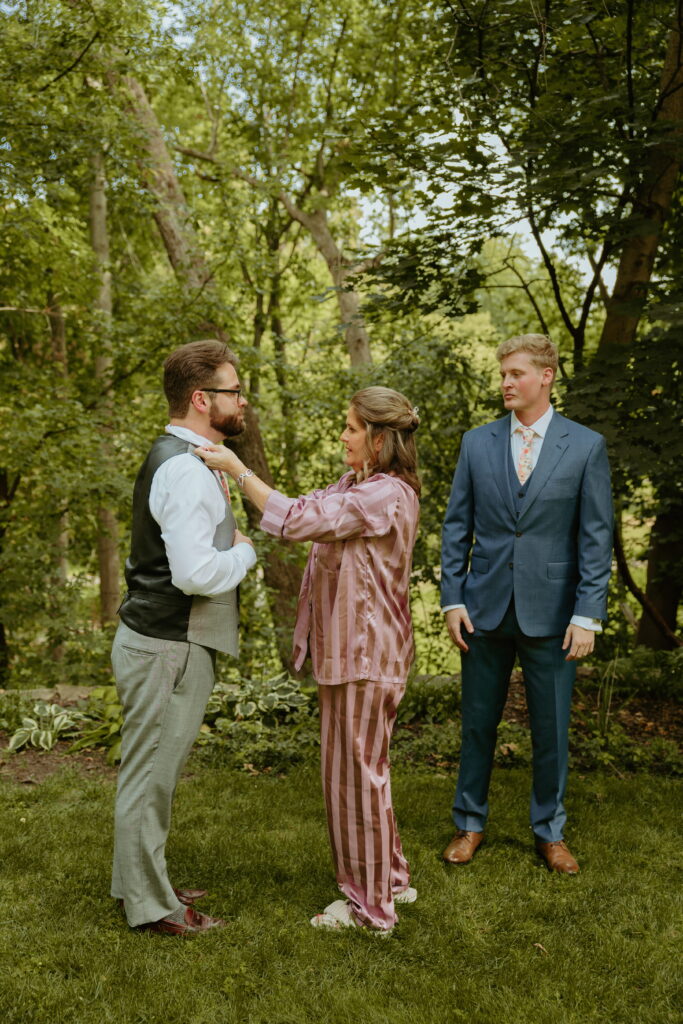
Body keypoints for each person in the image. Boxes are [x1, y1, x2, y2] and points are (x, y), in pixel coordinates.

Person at [197, 387, 420, 933]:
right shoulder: (355, 486)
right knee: (367, 772)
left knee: (354, 779)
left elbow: (296, 518)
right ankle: (389, 879)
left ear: (379, 438)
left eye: (350, 427)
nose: (342, 435)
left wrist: (236, 467)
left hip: (366, 657)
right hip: (353, 654)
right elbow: (307, 512)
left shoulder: (384, 494)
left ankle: (370, 909)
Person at [440, 334, 613, 874]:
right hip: (483, 609)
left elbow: (595, 536)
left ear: (547, 376)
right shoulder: (477, 442)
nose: (506, 383)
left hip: (555, 614)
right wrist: (452, 600)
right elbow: (456, 529)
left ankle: (550, 832)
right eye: (502, 374)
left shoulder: (585, 446)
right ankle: (469, 823)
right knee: (477, 724)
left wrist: (587, 614)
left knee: (551, 729)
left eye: (516, 373)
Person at [111, 339, 257, 935]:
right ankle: (154, 908)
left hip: (164, 641)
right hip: (167, 644)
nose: (242, 401)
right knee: (150, 777)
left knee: (151, 774)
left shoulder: (188, 458)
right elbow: (195, 575)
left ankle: (140, 882)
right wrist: (244, 553)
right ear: (202, 399)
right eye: (233, 391)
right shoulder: (185, 468)